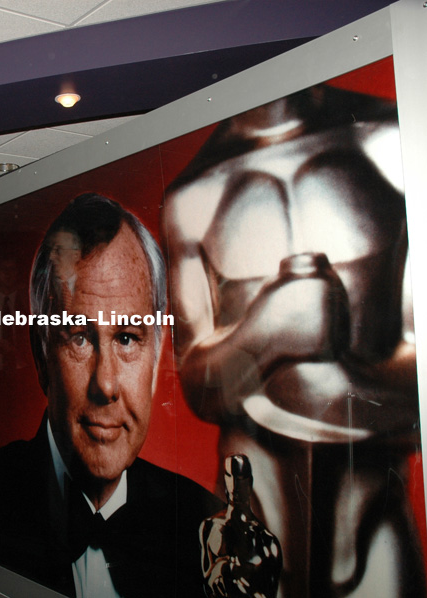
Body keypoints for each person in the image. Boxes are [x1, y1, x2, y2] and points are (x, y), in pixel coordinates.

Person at [162, 86, 424, 597]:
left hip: (369, 507)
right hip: (255, 514)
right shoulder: (193, 195)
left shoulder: (388, 143)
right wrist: (269, 331)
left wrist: (345, 378)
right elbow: (196, 383)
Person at [0, 194, 223, 598]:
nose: (106, 384)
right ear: (42, 356)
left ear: (158, 351)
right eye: (79, 338)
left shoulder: (203, 523)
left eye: (128, 339)